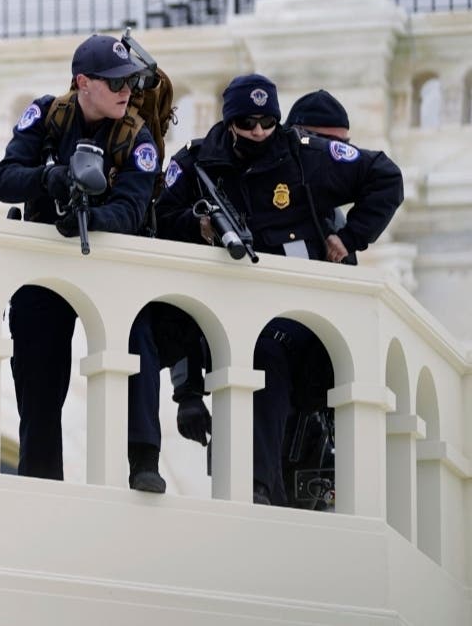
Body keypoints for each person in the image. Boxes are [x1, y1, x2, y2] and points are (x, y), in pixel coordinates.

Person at [155, 74, 404, 504]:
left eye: (267, 123)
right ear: (230, 121)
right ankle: (256, 491)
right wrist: (188, 392)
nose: (257, 132)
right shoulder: (199, 162)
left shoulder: (306, 158)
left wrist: (350, 237)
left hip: (312, 327)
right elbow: (161, 236)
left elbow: (385, 176)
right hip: (242, 325)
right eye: (247, 123)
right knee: (261, 361)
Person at [0, 33, 167, 492]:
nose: (126, 92)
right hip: (46, 263)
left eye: (129, 82)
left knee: (136, 341)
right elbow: (4, 180)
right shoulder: (48, 115)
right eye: (115, 83)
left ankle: (145, 460)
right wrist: (51, 178)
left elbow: (131, 210)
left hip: (109, 262)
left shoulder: (136, 136)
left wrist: (91, 219)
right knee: (37, 365)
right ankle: (40, 476)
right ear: (83, 83)